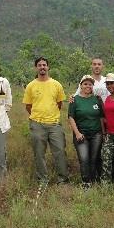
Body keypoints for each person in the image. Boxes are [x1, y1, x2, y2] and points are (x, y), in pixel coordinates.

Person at [23, 57, 69, 185]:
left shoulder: (56, 84)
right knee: (39, 153)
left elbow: (59, 104)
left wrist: (51, 115)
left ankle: (63, 180)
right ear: (36, 68)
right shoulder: (31, 86)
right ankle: (42, 180)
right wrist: (38, 116)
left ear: (48, 67)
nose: (42, 67)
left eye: (44, 65)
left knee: (60, 151)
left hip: (54, 124)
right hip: (37, 124)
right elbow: (28, 106)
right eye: (39, 65)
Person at [68, 75, 105, 187]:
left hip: (96, 134)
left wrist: (103, 133)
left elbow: (102, 117)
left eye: (90, 84)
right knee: (84, 158)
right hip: (81, 134)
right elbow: (71, 117)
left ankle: (94, 179)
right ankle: (86, 182)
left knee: (95, 158)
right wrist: (77, 133)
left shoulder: (97, 99)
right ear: (81, 86)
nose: (88, 86)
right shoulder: (74, 100)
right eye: (85, 84)